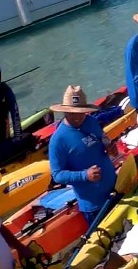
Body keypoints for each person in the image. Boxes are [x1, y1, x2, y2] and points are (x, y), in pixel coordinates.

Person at [48, 86, 117, 225]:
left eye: (81, 112)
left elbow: (102, 139)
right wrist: (84, 175)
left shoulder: (91, 122)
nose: (78, 117)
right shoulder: (58, 140)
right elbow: (57, 175)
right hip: (94, 206)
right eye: (72, 113)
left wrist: (110, 149)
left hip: (115, 190)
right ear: (65, 111)